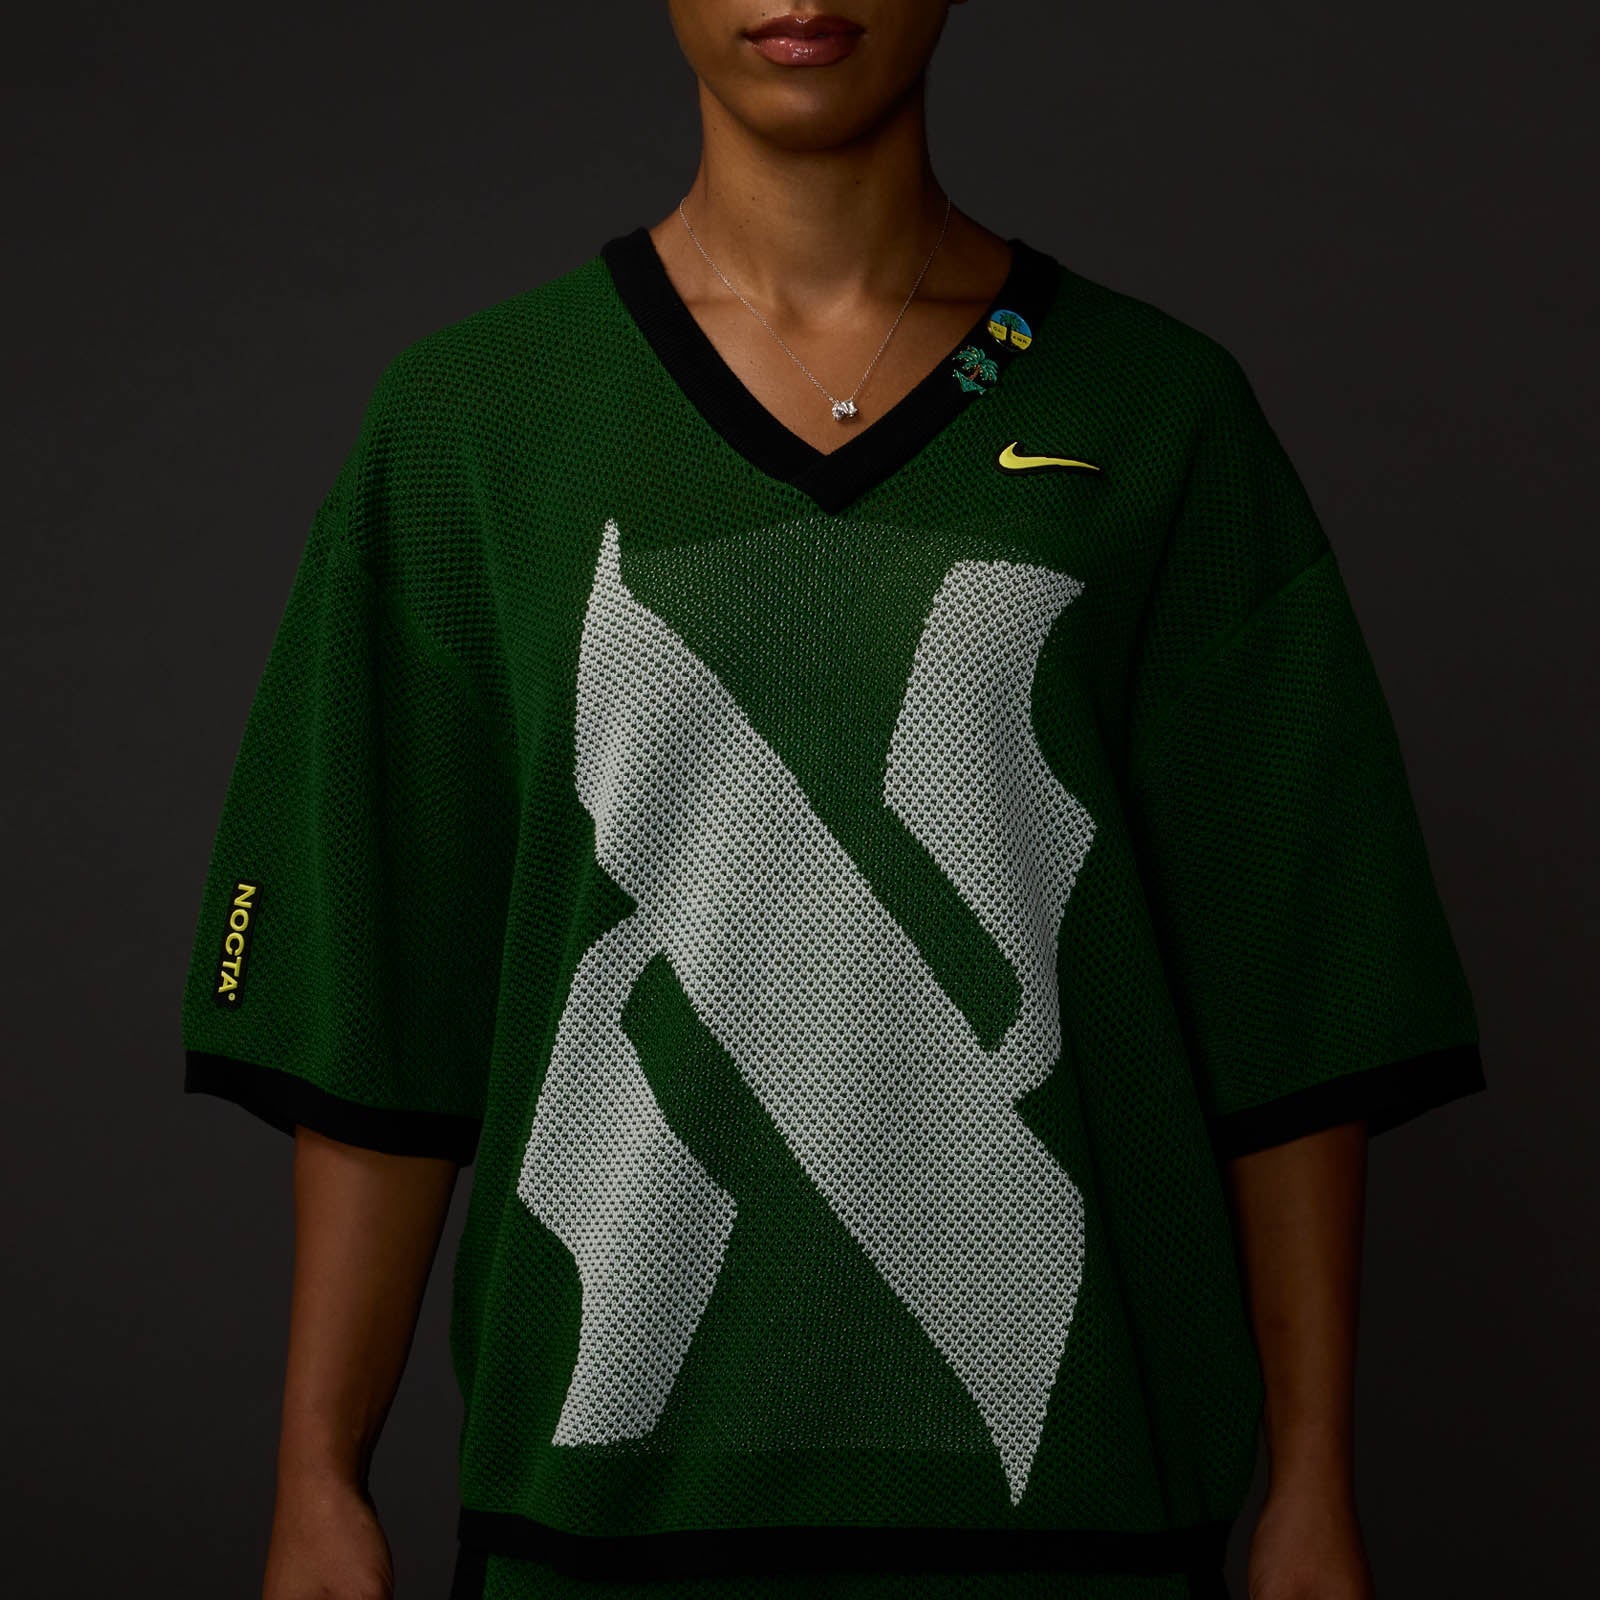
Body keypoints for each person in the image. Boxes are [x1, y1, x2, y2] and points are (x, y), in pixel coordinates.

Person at [178, 4, 1487, 1599]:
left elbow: (1295, 995)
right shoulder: (474, 421)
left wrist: (1315, 1483)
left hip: (1077, 1526)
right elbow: (378, 1008)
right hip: (599, 1537)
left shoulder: (1158, 411)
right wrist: (318, 1473)